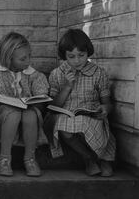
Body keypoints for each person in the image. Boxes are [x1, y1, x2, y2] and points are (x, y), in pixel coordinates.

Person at [47, 29, 115, 177]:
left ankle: (104, 159)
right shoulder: (57, 74)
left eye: (81, 55)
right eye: (71, 56)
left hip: (91, 115)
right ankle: (89, 158)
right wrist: (67, 86)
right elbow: (53, 106)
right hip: (66, 114)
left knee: (94, 127)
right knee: (64, 127)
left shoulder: (98, 73)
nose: (77, 61)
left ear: (88, 52)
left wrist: (105, 109)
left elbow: (107, 103)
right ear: (64, 55)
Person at [0, 32, 49, 177]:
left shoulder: (35, 76)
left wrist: (28, 105)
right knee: (13, 113)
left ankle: (30, 159)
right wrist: (7, 105)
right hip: (1, 121)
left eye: (29, 56)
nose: (28, 61)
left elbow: (41, 104)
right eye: (22, 58)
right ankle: (4, 159)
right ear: (9, 58)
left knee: (30, 114)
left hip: (28, 123)